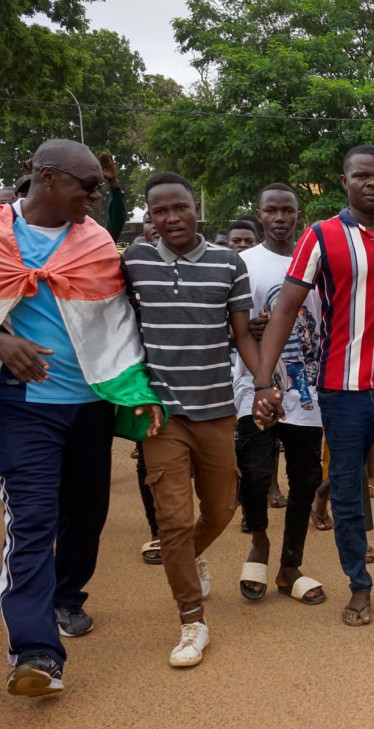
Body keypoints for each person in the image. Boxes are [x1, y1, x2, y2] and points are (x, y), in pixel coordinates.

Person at [252, 144, 374, 637]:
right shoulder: (320, 236)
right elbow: (286, 311)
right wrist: (263, 381)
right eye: (363, 176)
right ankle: (359, 583)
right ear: (345, 181)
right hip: (341, 389)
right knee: (350, 494)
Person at [0, 139, 162, 696]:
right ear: (46, 177)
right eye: (86, 186)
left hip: (90, 405)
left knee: (87, 510)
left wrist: (136, 390)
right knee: (32, 521)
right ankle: (36, 651)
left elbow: (117, 323)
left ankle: (68, 596)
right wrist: (1, 342)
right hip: (24, 410)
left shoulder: (95, 242)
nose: (95, 197)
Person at [122, 171, 257, 667]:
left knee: (222, 509)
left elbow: (242, 336)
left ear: (195, 208)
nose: (171, 217)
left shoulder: (229, 262)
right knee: (173, 520)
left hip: (217, 409)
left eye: (179, 207)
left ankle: (190, 556)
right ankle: (191, 621)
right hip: (161, 413)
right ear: (150, 218)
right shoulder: (133, 261)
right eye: (160, 211)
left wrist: (264, 385)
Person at [232, 183, 327, 606]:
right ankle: (259, 543)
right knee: (253, 474)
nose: (279, 218)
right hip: (255, 384)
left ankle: (291, 565)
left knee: (305, 478)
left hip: (308, 389)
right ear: (260, 214)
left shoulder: (318, 262)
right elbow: (232, 327)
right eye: (271, 211)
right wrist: (262, 380)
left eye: (287, 210)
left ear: (298, 214)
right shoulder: (242, 263)